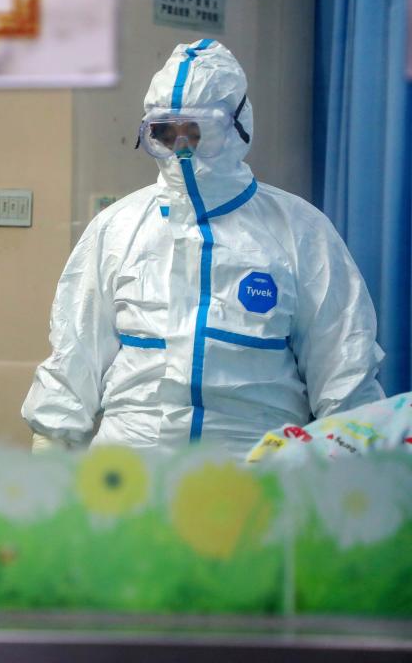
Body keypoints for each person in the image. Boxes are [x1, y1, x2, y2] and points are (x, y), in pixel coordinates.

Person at [22, 39, 384, 458]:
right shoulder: (117, 229)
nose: (182, 147)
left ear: (237, 126)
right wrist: (49, 452)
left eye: (197, 131)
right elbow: (74, 357)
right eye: (165, 132)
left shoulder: (300, 231)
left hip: (259, 484)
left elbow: (344, 370)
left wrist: (358, 477)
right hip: (128, 483)